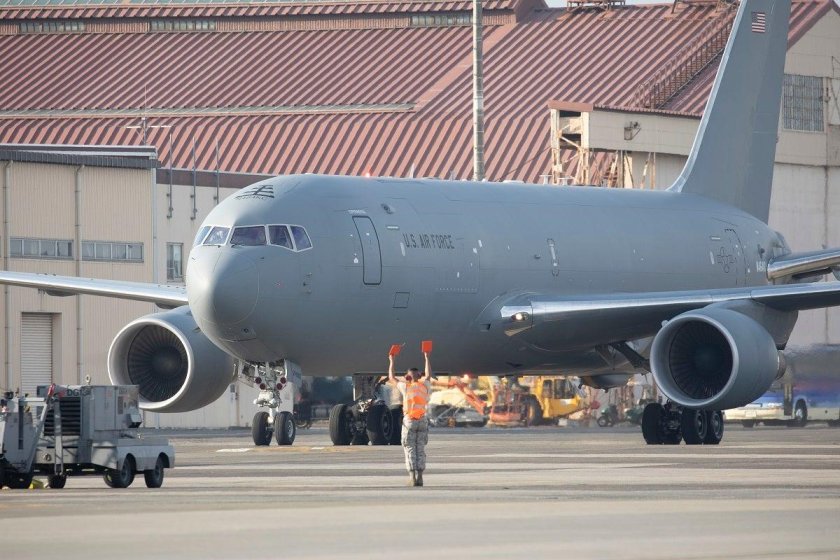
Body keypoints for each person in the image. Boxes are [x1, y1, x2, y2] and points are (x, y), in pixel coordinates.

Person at [388, 349, 444, 487]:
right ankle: (420, 477)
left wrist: (392, 360)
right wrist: (426, 357)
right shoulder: (424, 386)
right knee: (420, 449)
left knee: (410, 449)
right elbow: (429, 375)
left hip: (410, 421)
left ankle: (412, 478)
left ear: (407, 377)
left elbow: (391, 377)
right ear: (419, 375)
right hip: (422, 420)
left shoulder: (406, 387)